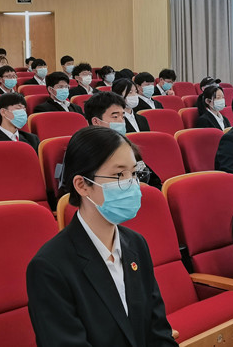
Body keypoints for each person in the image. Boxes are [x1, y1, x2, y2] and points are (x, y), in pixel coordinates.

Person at [27, 126, 177, 347]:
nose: (132, 184)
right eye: (119, 175)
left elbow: (159, 332)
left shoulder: (136, 244)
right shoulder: (49, 267)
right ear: (82, 185)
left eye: (134, 173)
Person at [84, 92, 162, 189]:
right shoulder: (85, 151)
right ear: (96, 121)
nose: (121, 121)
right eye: (115, 117)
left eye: (123, 117)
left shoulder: (126, 145)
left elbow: (152, 180)